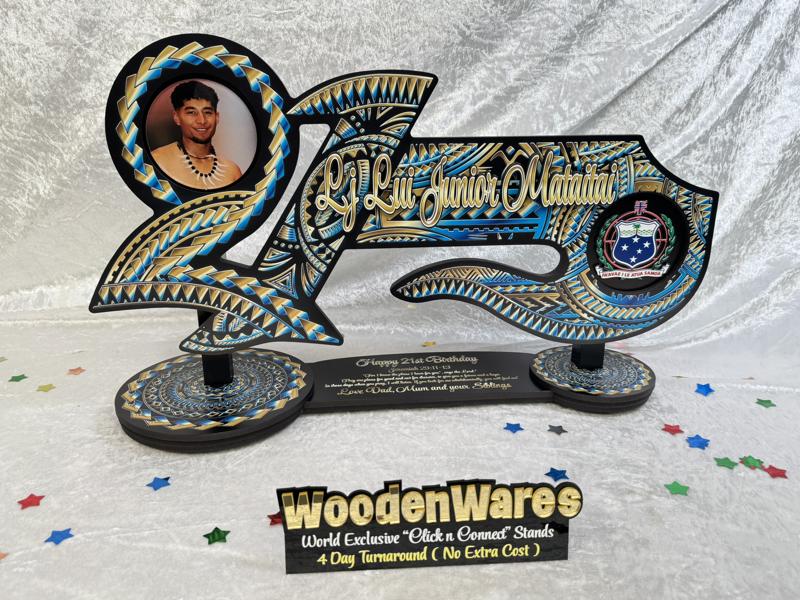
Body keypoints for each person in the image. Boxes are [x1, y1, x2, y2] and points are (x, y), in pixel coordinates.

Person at [150, 81, 242, 189]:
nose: (202, 120)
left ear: (217, 117)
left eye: (207, 112)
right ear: (176, 117)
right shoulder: (158, 161)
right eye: (191, 112)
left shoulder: (232, 172)